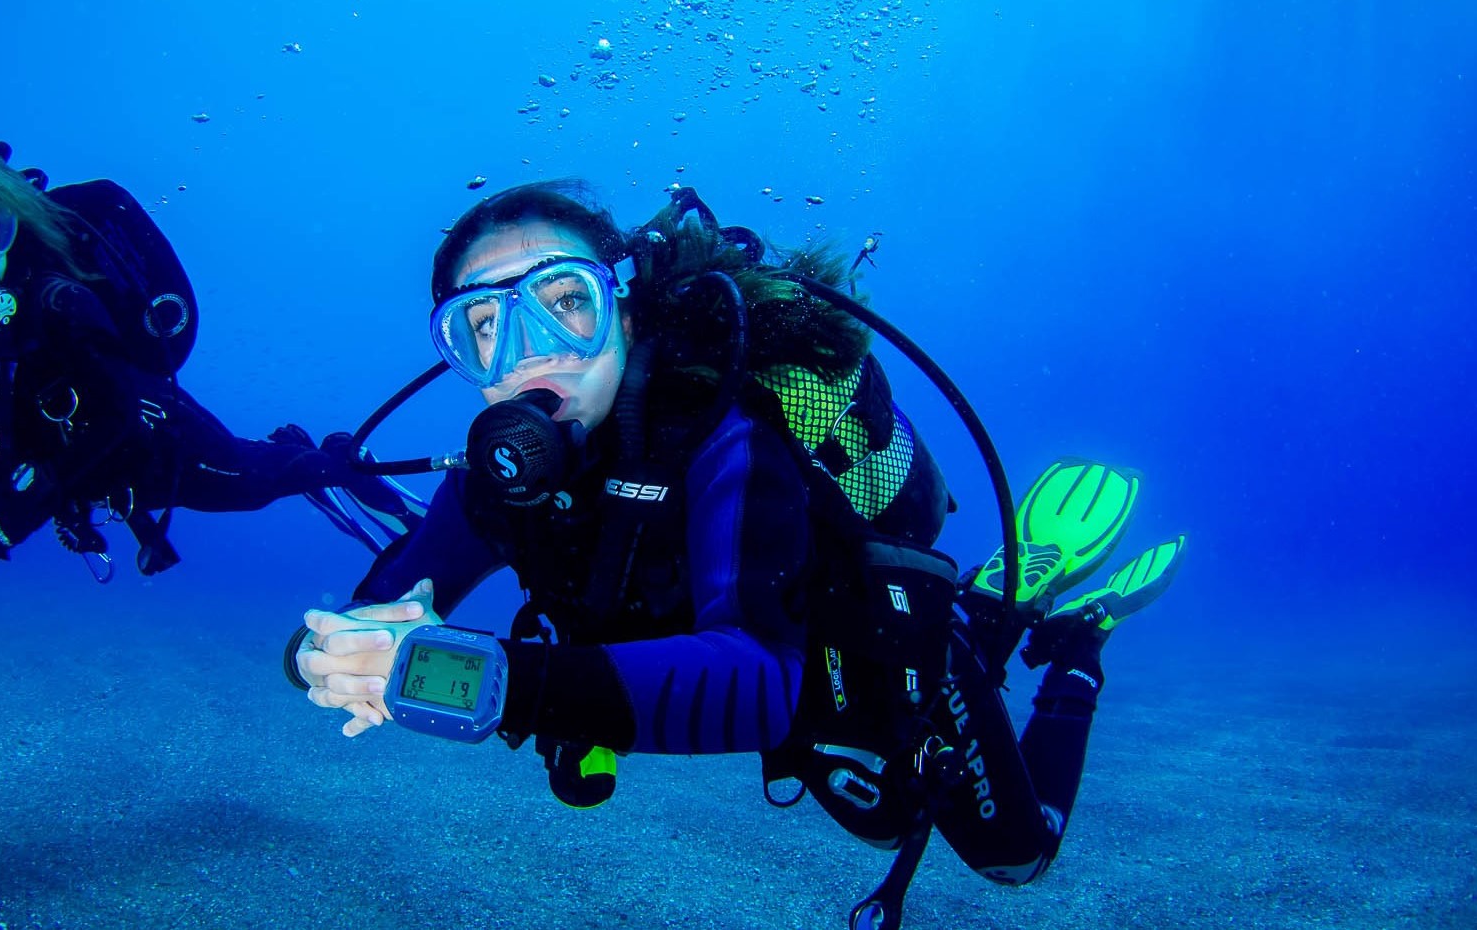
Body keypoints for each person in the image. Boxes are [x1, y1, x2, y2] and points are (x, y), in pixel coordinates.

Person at [279, 181, 1185, 928]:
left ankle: (1072, 645)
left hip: (848, 655)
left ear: (622, 310)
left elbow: (757, 681)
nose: (526, 352)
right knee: (876, 822)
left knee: (1012, 859)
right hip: (727, 673)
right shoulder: (502, 475)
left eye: (563, 303)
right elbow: (377, 603)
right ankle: (991, 607)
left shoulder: (721, 434)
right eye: (482, 325)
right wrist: (328, 654)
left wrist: (485, 679)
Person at [0, 147, 412, 576]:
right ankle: (299, 447)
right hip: (59, 470)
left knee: (252, 484)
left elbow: (118, 412)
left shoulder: (54, 299)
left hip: (142, 440)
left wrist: (33, 505)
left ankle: (338, 458)